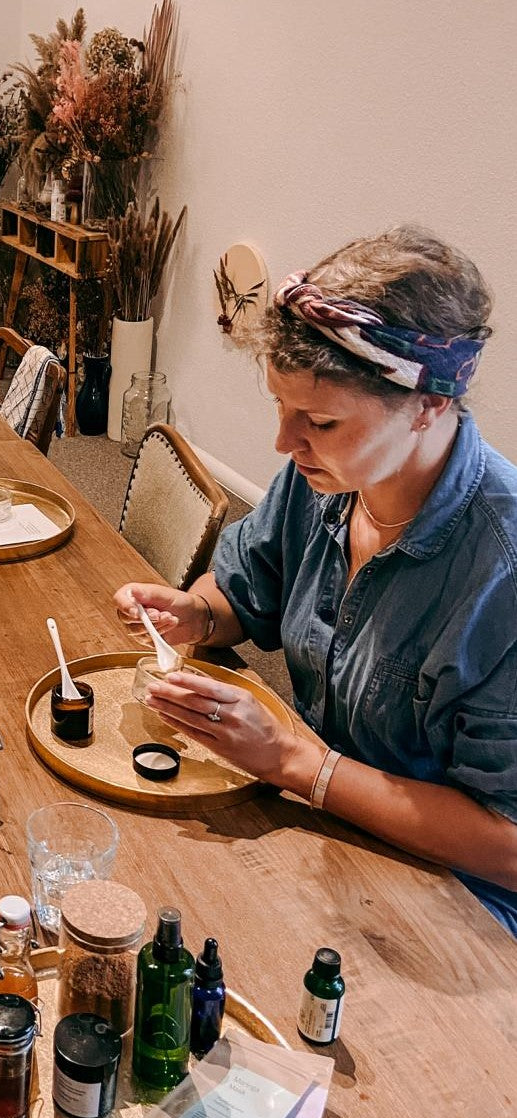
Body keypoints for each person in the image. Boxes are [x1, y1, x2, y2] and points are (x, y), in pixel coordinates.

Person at [115, 226, 517, 934]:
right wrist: (194, 615)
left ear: (429, 405)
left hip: (453, 907)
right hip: (320, 831)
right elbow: (243, 589)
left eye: (321, 420)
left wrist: (299, 763)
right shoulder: (327, 478)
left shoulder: (499, 574)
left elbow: (507, 848)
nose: (283, 442)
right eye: (279, 405)